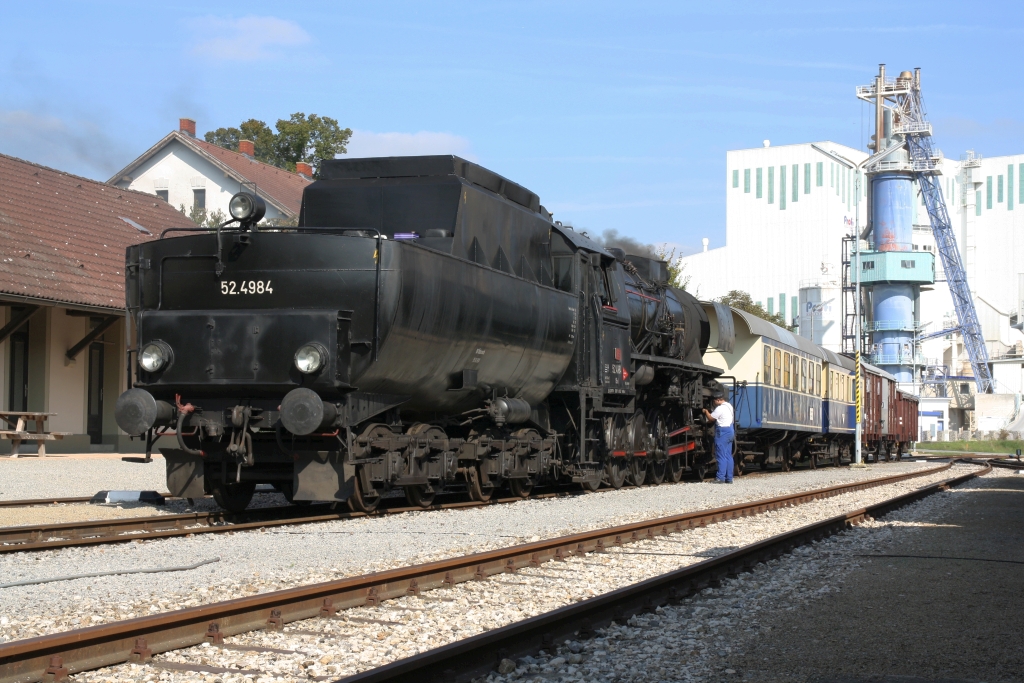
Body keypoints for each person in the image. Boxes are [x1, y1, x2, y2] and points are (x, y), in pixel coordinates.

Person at [703, 390, 735, 483]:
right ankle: (729, 478)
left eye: (714, 401)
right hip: (730, 431)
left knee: (721, 455)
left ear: (718, 400)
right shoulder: (729, 406)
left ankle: (720, 478)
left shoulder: (720, 408)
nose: (713, 403)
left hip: (722, 432)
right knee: (728, 456)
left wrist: (706, 411)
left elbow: (711, 418)